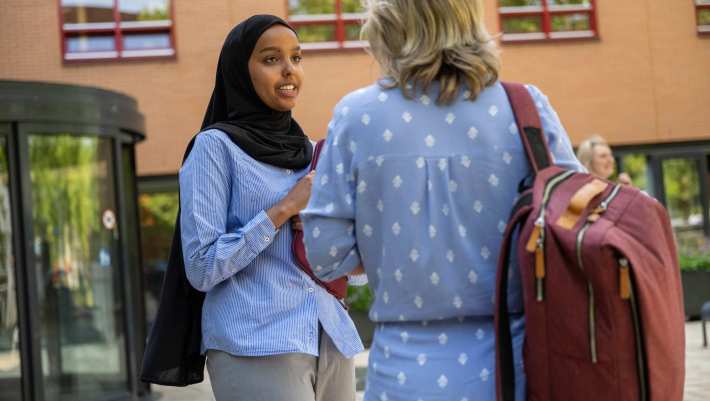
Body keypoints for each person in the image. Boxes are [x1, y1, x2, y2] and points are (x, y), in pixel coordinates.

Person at [300, 1, 583, 400]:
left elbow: (326, 255)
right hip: (519, 366)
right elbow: (574, 227)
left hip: (404, 371)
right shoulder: (526, 109)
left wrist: (395, 249)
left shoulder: (356, 116)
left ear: (390, 23)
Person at [179, 15, 362, 401]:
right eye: (270, 59)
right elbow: (201, 266)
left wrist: (355, 248)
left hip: (331, 335)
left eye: (296, 58)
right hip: (256, 343)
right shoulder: (214, 149)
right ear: (239, 71)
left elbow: (339, 265)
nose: (288, 70)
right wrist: (281, 210)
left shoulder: (312, 153)